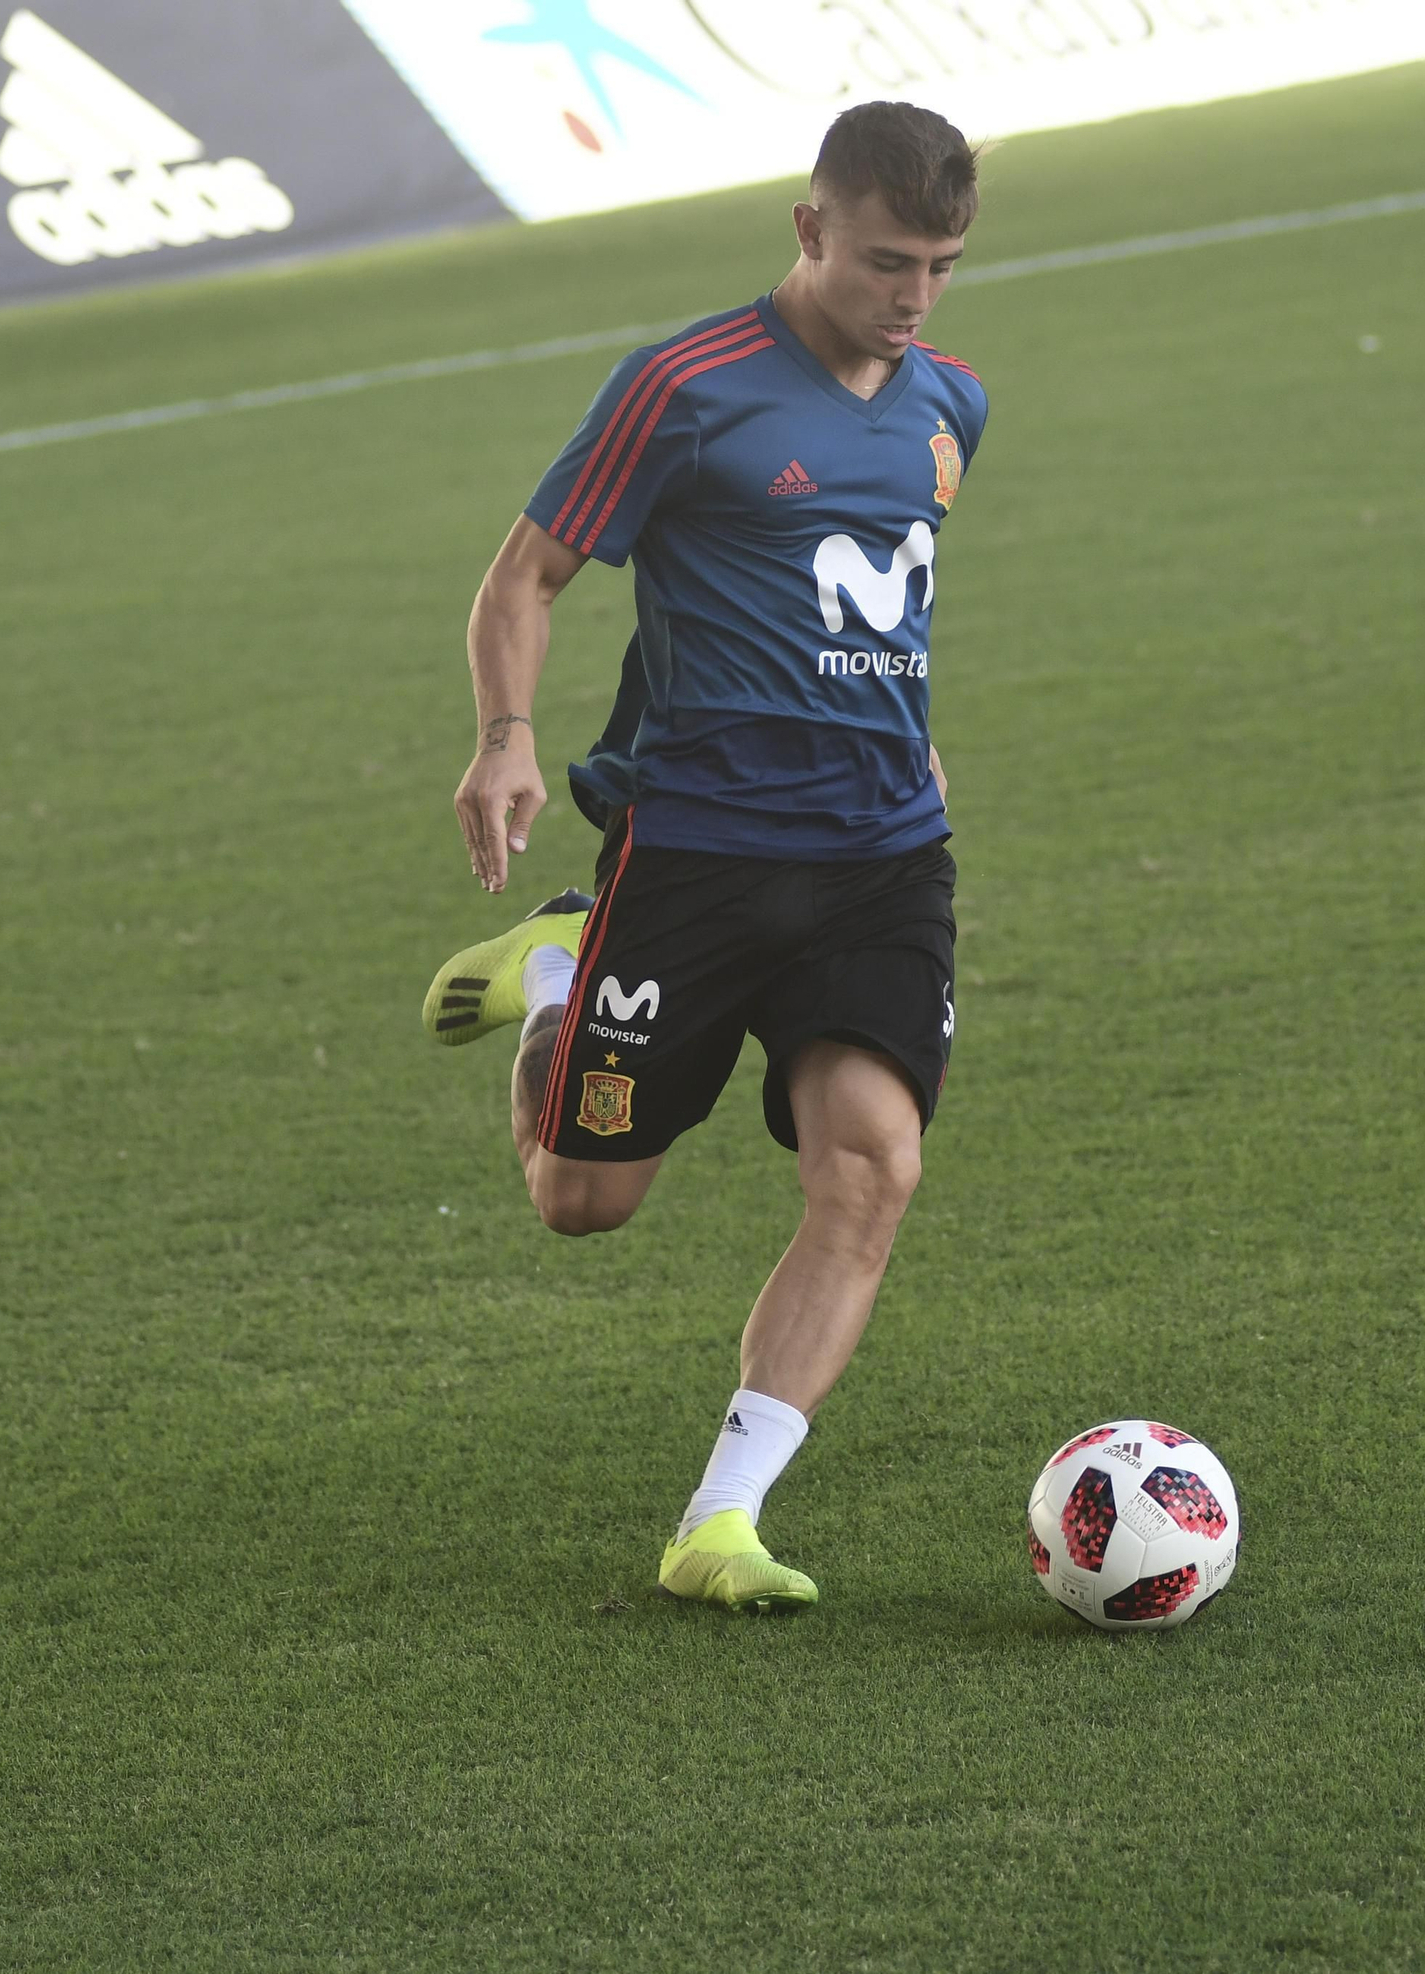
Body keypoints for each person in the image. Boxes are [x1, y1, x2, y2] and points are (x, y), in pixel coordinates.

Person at [423, 100, 986, 1612]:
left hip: (882, 856)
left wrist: (910, 739)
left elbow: (879, 606)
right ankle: (563, 969)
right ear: (810, 228)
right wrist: (505, 738)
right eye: (886, 261)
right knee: (581, 1202)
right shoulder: (685, 386)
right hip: (697, 856)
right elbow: (524, 577)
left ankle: (719, 1522)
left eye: (941, 265)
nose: (915, 296)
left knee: (872, 1166)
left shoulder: (954, 405)